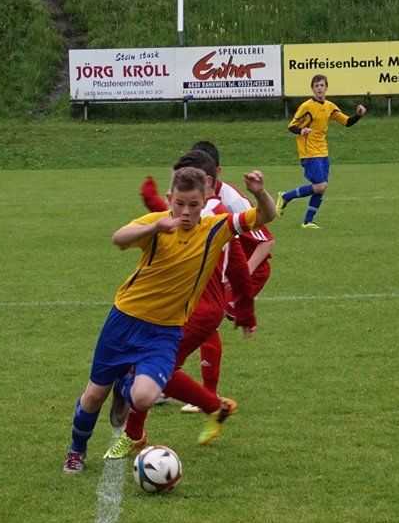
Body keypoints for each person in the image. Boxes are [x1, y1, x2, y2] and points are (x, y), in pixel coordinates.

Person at [62, 167, 277, 475]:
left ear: (205, 201)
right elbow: (118, 237)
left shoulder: (217, 228)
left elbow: (266, 216)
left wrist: (259, 193)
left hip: (164, 332)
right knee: (95, 394)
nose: (186, 211)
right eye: (179, 203)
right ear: (169, 199)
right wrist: (154, 227)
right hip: (124, 320)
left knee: (145, 397)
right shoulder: (158, 223)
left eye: (193, 204)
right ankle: (76, 451)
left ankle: (127, 384)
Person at [108, 151, 258, 458]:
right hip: (189, 307)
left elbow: (238, 262)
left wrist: (245, 309)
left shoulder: (217, 217)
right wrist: (151, 200)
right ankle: (209, 406)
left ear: (205, 186)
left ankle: (208, 409)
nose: (183, 206)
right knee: (154, 367)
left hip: (201, 308)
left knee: (151, 368)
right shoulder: (196, 210)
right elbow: (169, 220)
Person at [140, 140, 275, 413]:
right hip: (216, 269)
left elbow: (266, 241)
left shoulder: (227, 203)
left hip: (241, 270)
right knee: (189, 328)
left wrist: (238, 282)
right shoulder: (199, 204)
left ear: (209, 179)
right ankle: (172, 386)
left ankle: (199, 394)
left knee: (200, 324)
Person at [276, 75, 366, 229]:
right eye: (316, 85)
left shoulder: (330, 106)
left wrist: (358, 115)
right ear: (312, 88)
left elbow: (347, 122)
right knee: (320, 186)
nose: (319, 88)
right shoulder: (306, 106)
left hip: (323, 151)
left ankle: (308, 222)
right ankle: (285, 196)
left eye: (322, 85)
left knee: (321, 187)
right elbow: (291, 126)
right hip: (309, 151)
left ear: (326, 87)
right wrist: (301, 130)